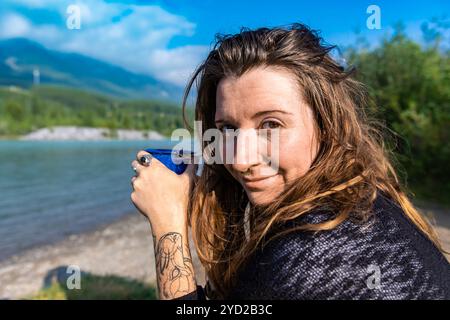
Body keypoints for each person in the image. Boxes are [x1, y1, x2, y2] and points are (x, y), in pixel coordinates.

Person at [130, 23, 450, 300]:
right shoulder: (366, 199)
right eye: (227, 128)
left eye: (271, 125)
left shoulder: (309, 256)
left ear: (326, 126)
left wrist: (167, 222)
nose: (241, 161)